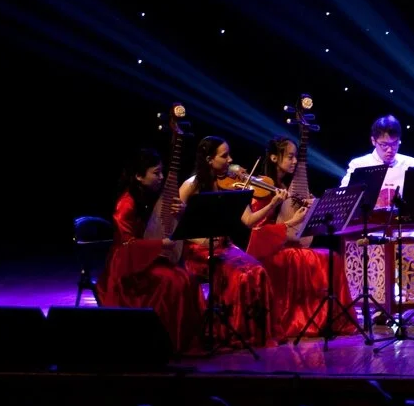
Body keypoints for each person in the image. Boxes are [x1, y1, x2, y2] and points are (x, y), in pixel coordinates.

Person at [97, 148, 206, 355]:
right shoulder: (126, 204)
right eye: (156, 173)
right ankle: (163, 342)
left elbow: (160, 225)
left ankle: (182, 339)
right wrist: (160, 244)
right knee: (171, 282)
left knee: (186, 278)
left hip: (145, 257)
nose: (162, 177)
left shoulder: (150, 197)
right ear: (139, 176)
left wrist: (182, 213)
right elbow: (128, 244)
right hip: (127, 266)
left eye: (162, 171)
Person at [244, 136, 354, 340]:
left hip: (285, 245)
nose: (295, 161)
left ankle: (327, 319)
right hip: (267, 250)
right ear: (274, 158)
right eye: (290, 157)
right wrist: (284, 214)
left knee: (332, 257)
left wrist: (312, 206)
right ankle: (301, 320)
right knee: (306, 259)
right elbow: (256, 227)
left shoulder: (285, 187)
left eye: (296, 157)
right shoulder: (260, 187)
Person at [179, 136, 273, 347]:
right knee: (239, 275)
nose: (230, 160)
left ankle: (253, 334)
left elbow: (249, 221)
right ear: (209, 159)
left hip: (224, 245)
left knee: (258, 270)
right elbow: (176, 224)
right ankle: (227, 331)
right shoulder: (191, 185)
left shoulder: (228, 184)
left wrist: (273, 203)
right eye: (224, 156)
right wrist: (200, 237)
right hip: (198, 249)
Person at [340, 114, 414, 209]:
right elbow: (343, 197)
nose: (390, 150)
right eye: (384, 145)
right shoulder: (359, 164)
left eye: (395, 144)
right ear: (373, 141)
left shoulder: (409, 163)